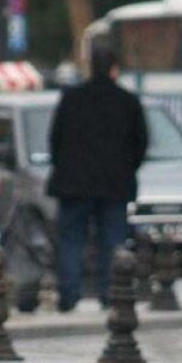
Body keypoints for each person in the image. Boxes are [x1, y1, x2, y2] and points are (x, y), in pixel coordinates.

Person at [47, 46, 148, 312]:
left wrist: (65, 168)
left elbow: (55, 139)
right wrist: (126, 169)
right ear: (114, 69)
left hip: (73, 184)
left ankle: (68, 296)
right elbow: (141, 144)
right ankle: (111, 294)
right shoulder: (128, 102)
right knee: (113, 240)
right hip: (114, 184)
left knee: (71, 240)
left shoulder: (71, 99)